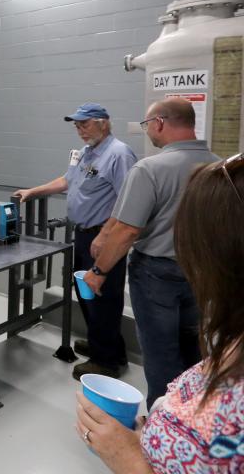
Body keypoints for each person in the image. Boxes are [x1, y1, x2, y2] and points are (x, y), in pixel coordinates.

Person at [75, 151, 244, 473]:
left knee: (160, 347)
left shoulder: (138, 165)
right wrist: (156, 425)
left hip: (148, 276)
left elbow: (126, 227)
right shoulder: (229, 339)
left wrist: (127, 458)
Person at [85, 97, 218, 409]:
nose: (147, 132)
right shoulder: (218, 165)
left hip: (156, 275)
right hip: (202, 273)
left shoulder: (150, 168)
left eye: (147, 125)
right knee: (192, 347)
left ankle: (162, 428)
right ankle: (191, 417)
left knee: (161, 352)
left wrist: (99, 271)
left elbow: (128, 230)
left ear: (159, 123)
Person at [14, 103, 137, 380]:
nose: (79, 130)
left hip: (103, 236)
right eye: (77, 125)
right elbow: (67, 181)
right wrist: (33, 191)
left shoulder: (119, 154)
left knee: (103, 296)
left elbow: (126, 201)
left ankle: (105, 362)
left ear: (103, 123)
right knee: (86, 293)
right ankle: (106, 348)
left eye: (84, 124)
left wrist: (106, 235)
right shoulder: (86, 153)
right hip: (83, 234)